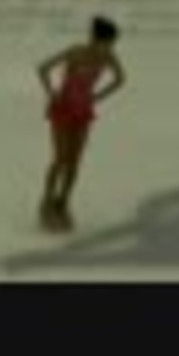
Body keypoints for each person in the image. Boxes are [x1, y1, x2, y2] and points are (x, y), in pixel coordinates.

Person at [37, 16, 127, 232]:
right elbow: (43, 68)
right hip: (63, 108)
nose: (111, 47)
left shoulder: (108, 56)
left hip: (83, 112)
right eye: (108, 42)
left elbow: (120, 79)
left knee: (75, 162)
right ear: (96, 38)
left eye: (112, 43)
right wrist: (52, 94)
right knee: (60, 158)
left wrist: (96, 97)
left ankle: (63, 202)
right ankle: (47, 201)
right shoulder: (76, 51)